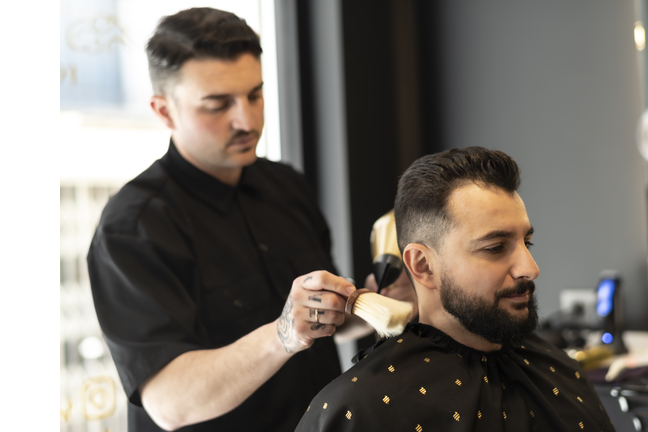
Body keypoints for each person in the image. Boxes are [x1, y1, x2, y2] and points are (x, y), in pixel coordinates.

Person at [87, 7, 411, 432]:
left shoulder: (286, 186)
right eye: (218, 104)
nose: (247, 120)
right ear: (164, 111)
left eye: (254, 95)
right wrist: (282, 334)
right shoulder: (133, 228)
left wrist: (370, 301)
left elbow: (323, 325)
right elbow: (170, 402)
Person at [295, 147, 616, 432]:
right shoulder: (360, 408)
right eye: (495, 247)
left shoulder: (556, 367)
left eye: (526, 242)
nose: (531, 269)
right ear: (422, 265)